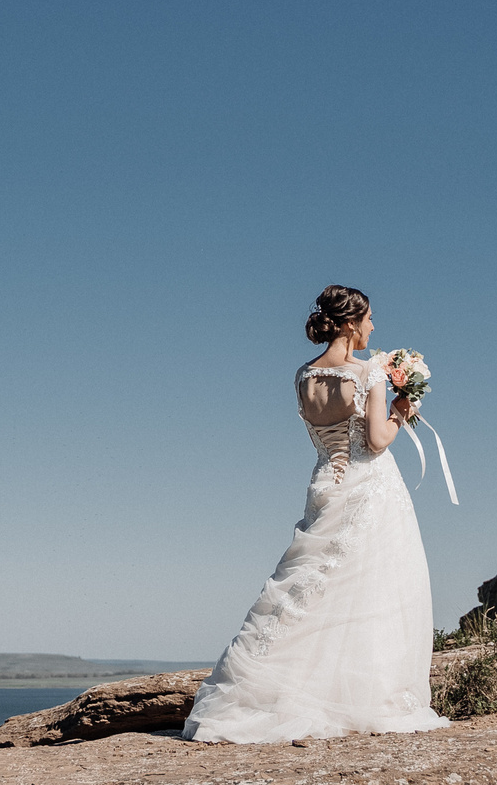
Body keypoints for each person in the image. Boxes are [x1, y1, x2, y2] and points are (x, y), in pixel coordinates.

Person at [181, 284, 450, 743]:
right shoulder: (369, 373)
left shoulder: (304, 376)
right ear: (350, 323)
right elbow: (378, 440)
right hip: (370, 488)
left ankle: (265, 686)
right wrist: (403, 411)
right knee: (377, 589)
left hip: (326, 482)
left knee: (311, 585)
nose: (372, 327)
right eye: (368, 319)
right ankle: (363, 696)